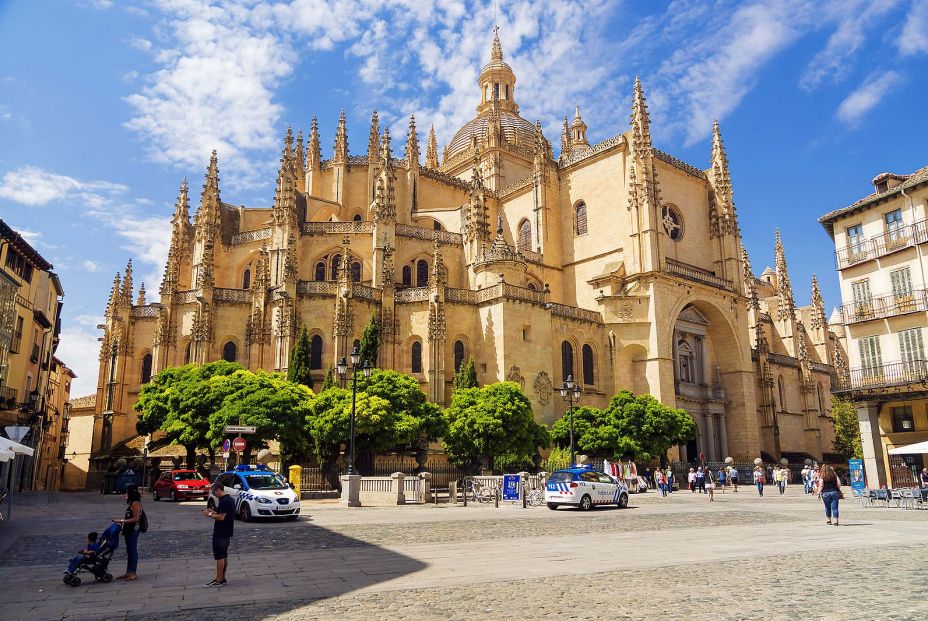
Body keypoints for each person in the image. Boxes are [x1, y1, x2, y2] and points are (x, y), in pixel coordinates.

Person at [203, 480, 236, 586]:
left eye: (214, 492)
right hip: (227, 531)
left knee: (219, 556)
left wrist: (209, 515)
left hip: (221, 531)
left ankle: (218, 579)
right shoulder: (229, 499)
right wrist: (213, 512)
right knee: (224, 555)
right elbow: (222, 513)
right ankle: (222, 577)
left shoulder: (225, 501)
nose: (213, 495)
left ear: (218, 490)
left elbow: (221, 517)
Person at [114, 485, 143, 581]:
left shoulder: (135, 504)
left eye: (126, 493)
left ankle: (133, 572)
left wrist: (121, 521)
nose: (125, 495)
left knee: (132, 550)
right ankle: (129, 571)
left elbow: (136, 518)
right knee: (129, 550)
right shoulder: (132, 504)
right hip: (129, 529)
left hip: (133, 530)